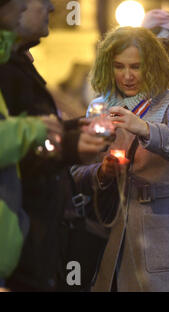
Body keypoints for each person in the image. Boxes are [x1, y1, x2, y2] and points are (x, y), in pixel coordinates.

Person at [72, 27, 169, 292]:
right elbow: (76, 172)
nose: (127, 76)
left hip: (160, 234)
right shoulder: (99, 106)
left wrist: (145, 128)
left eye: (136, 67)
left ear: (152, 65)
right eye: (119, 66)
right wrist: (102, 171)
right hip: (108, 233)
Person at [0, 0, 109, 291]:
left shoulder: (17, 62)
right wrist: (69, 146)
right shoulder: (8, 69)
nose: (52, 7)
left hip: (33, 236)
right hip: (20, 239)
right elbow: (22, 152)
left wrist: (71, 131)